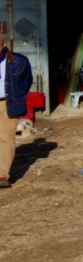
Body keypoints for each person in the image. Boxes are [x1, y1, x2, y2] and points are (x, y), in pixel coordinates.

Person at [0, 36, 33, 189]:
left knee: (5, 138)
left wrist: (16, 96)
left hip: (8, 103)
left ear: (2, 44)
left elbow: (26, 82)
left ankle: (2, 175)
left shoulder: (19, 61)